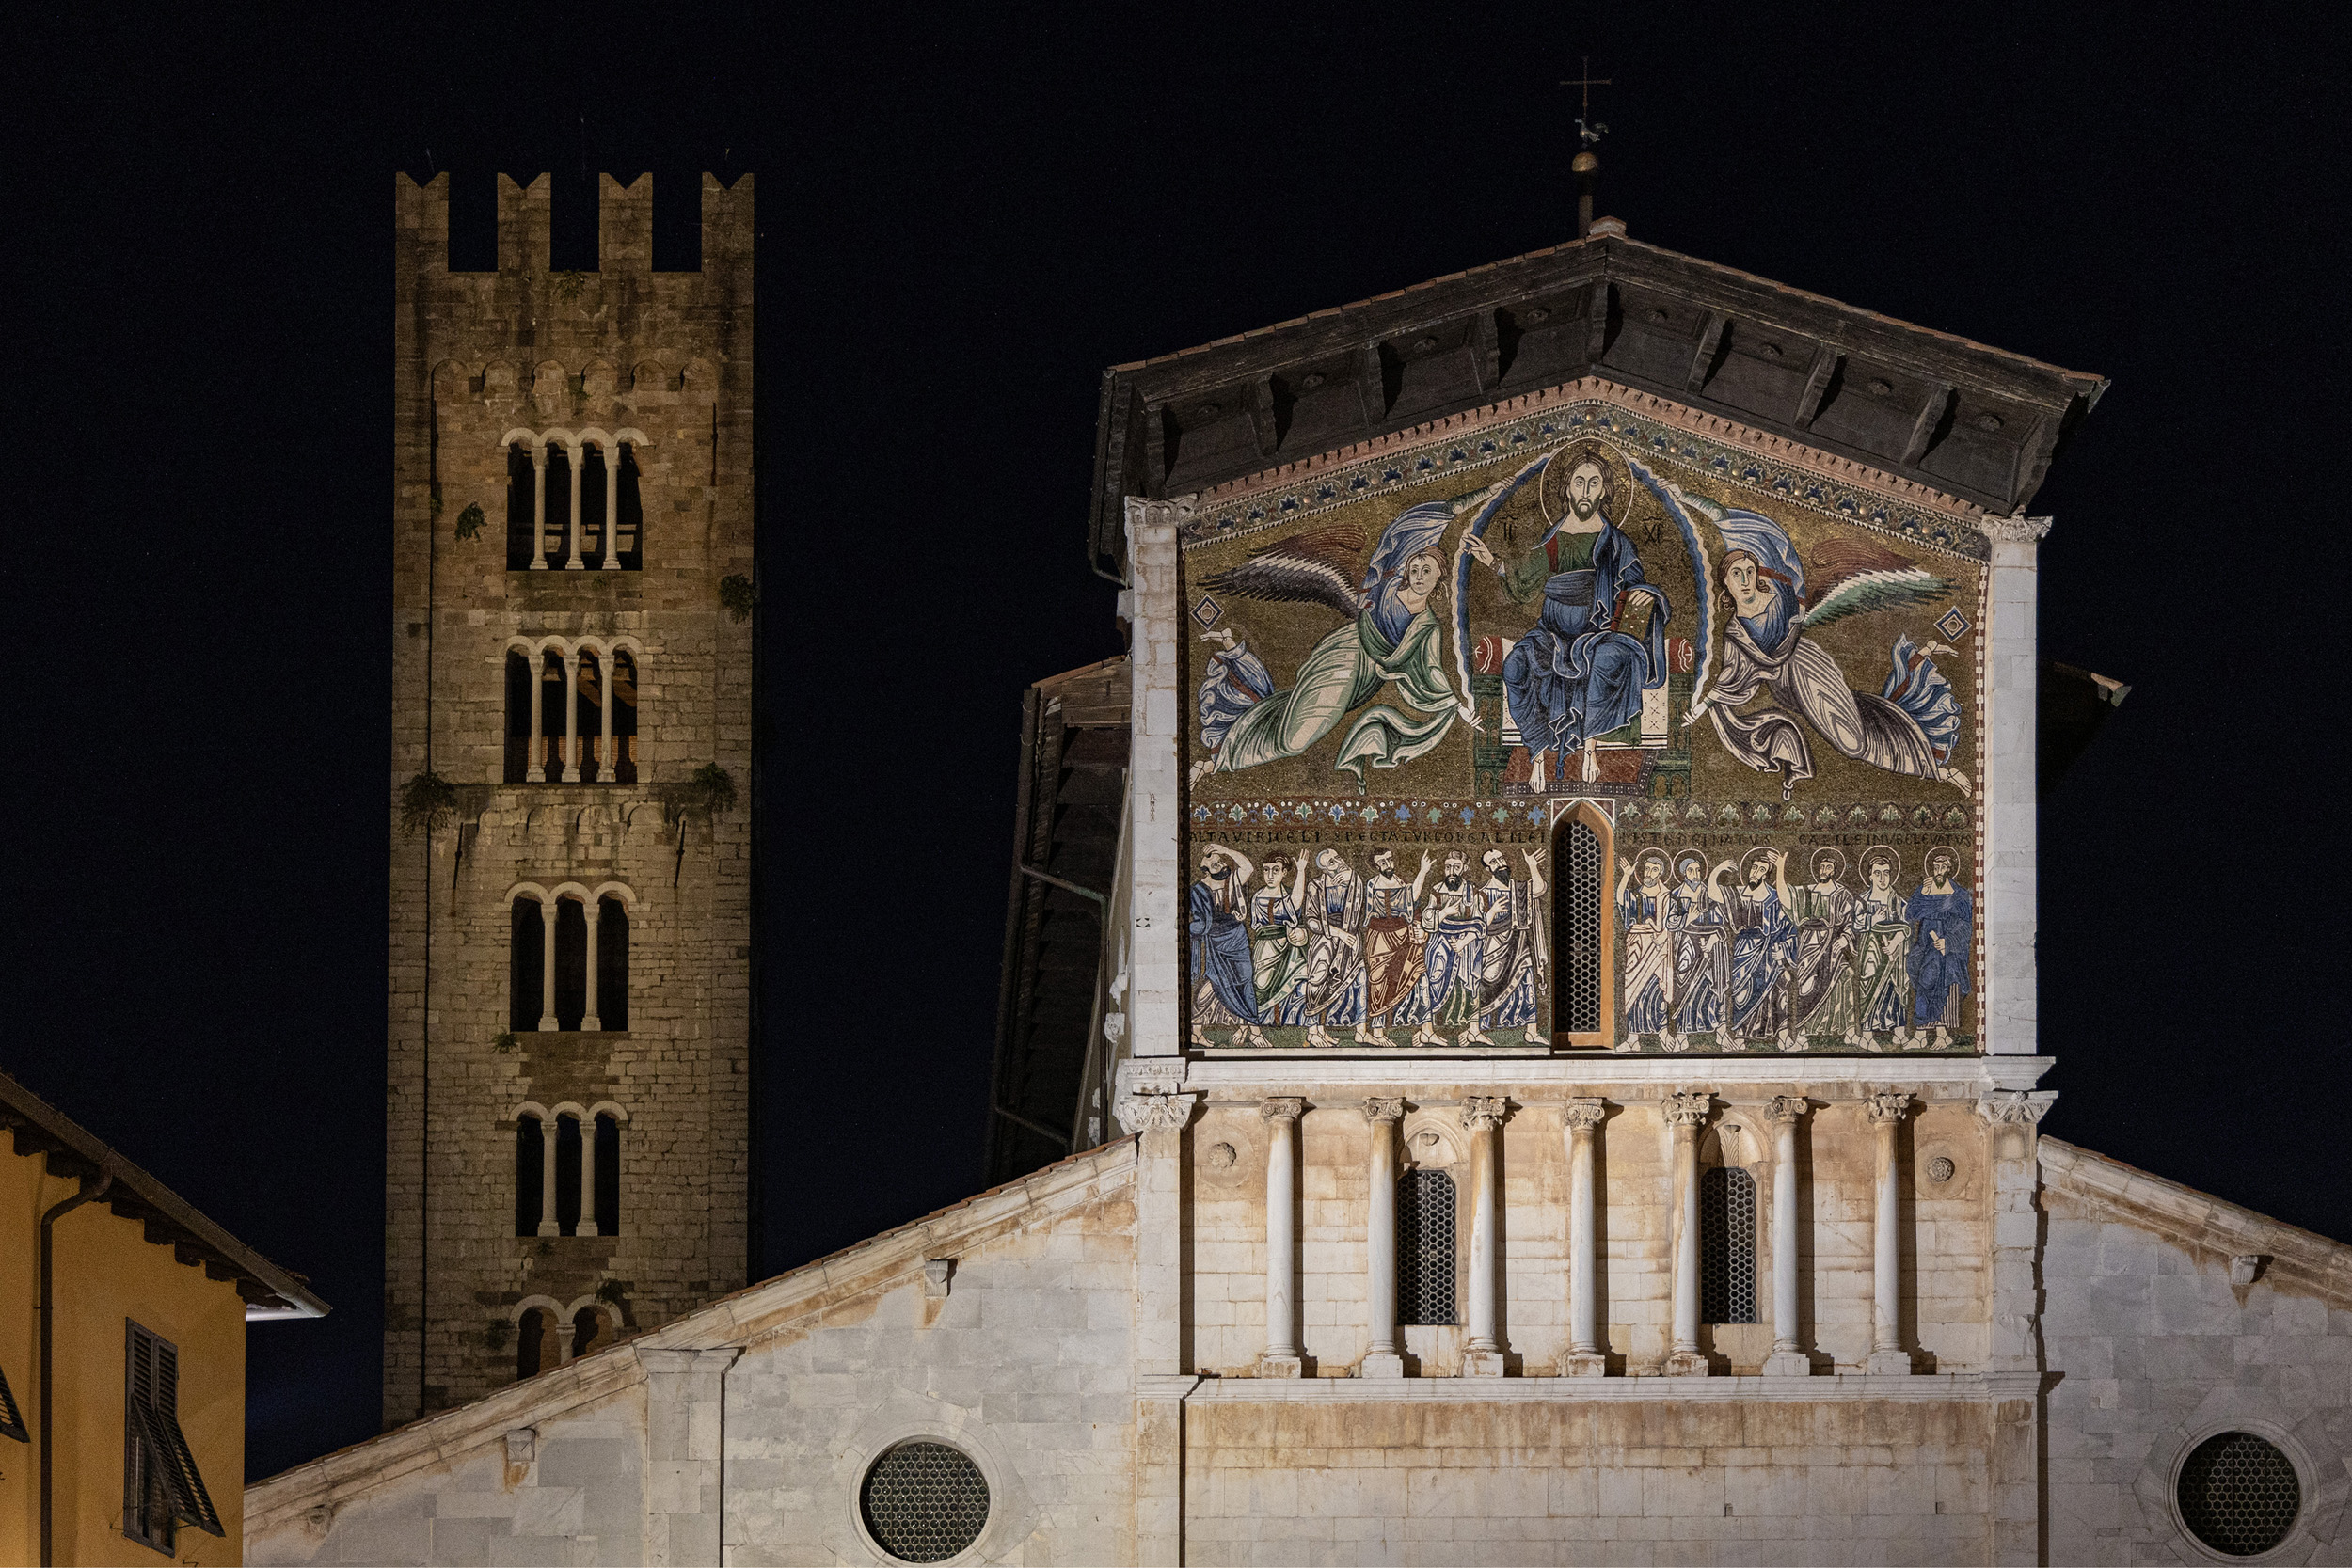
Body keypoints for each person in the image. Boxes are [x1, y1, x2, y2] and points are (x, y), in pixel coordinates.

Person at [1679, 509, 1968, 800]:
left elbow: (1790, 582)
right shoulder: (1735, 632)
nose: (1745, 580)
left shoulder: (1778, 600)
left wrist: (1698, 504)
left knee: (1853, 743)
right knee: (1856, 731)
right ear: (1725, 582)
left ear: (1757, 574)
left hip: (1808, 667)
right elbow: (1731, 677)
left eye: (1749, 572)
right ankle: (1921, 675)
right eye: (1736, 574)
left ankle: (1936, 770)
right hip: (1787, 689)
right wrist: (1702, 708)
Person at [1193, 502, 1474, 784]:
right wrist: (1470, 500)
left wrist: (1457, 706)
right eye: (1414, 569)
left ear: (1440, 576)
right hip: (1347, 654)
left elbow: (1431, 669)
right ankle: (1217, 762)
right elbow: (1408, 531)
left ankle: (1236, 677)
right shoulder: (1384, 591)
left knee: (1292, 716)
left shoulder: (1427, 626)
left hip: (1367, 679)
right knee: (1295, 740)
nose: (1419, 576)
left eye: (1427, 570)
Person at [1463, 448, 1669, 793]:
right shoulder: (1554, 538)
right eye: (1579, 483)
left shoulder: (1616, 543)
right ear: (1568, 490)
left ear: (1604, 491)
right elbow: (1524, 578)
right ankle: (1537, 754)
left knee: (1607, 659)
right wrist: (1491, 561)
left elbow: (1635, 583)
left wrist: (1646, 594)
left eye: (1594, 483)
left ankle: (1590, 750)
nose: (1586, 491)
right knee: (1516, 666)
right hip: (1552, 632)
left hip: (1599, 632)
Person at [1393, 852, 1485, 1046]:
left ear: (1464, 868)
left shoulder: (1472, 892)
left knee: (1471, 981)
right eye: (1448, 867)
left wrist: (1463, 942)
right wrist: (1444, 912)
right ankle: (1427, 1031)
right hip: (1440, 940)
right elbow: (1428, 918)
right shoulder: (1437, 889)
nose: (1451, 871)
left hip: (1466, 944)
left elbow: (1479, 923)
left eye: (1456, 867)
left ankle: (1472, 1031)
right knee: (1433, 978)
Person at [1470, 847, 1549, 1044]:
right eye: (1494, 862)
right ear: (1488, 869)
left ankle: (1531, 1031)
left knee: (1527, 981)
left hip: (1518, 944)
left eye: (1501, 858)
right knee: (1487, 986)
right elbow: (1477, 925)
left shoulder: (1517, 888)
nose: (1500, 864)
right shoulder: (1482, 893)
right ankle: (1481, 1028)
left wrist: (1532, 866)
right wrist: (1493, 912)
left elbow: (1539, 889)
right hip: (1491, 949)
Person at [1787, 847, 1863, 1047]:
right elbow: (1788, 900)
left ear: (1835, 871)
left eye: (1828, 867)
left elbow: (1851, 922)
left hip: (1834, 947)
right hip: (1809, 945)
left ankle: (1849, 1031)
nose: (1824, 870)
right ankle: (1802, 1032)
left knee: (1846, 974)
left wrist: (1845, 938)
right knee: (1804, 983)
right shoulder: (1808, 891)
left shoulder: (1842, 894)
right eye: (1822, 866)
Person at [1295, 847, 1368, 1049]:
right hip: (1325, 939)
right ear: (1325, 869)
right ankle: (1314, 1032)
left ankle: (1361, 1032)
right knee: (1317, 980)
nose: (1339, 862)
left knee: (1359, 979)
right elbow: (1311, 920)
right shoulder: (1316, 885)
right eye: (1332, 862)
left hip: (1350, 938)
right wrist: (1338, 933)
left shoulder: (1353, 881)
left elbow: (1360, 904)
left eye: (1338, 857)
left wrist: (1352, 878)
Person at [1724, 848, 1796, 1049]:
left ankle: (1782, 1035)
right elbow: (1714, 894)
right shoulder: (1739, 894)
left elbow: (1788, 921)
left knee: (1779, 982)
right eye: (1754, 867)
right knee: (1741, 991)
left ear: (1766, 875)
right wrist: (1719, 870)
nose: (1755, 872)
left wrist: (1784, 949)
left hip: (1769, 950)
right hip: (1744, 951)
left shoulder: (1774, 897)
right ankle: (1740, 1036)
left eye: (1761, 869)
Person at [1358, 847, 1431, 1045]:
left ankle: (1426, 1029)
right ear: (1376, 866)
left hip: (1404, 936)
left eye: (1389, 859)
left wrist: (1423, 871)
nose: (1388, 864)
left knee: (1417, 974)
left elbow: (1413, 903)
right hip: (1379, 937)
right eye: (1382, 862)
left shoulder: (1402, 883)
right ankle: (1378, 1032)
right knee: (1378, 981)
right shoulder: (1372, 885)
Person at [1187, 844, 1257, 1047]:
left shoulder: (1232, 881)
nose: (1221, 866)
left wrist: (1224, 849)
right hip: (1216, 943)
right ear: (1206, 869)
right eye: (1215, 864)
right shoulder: (1198, 890)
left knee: (1245, 981)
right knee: (1214, 983)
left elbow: (1248, 867)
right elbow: (1200, 920)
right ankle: (1196, 1030)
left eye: (1222, 862)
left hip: (1238, 939)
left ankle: (1249, 1029)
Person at [1905, 847, 1974, 1049]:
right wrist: (1923, 894)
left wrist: (1948, 941)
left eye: (1943, 867)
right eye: (1936, 867)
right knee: (1918, 969)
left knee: (1936, 976)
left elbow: (1965, 925)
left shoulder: (1959, 894)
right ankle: (1927, 1035)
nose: (1939, 871)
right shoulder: (1924, 890)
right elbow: (1910, 914)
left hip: (1946, 947)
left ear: (1950, 869)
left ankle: (1936, 1034)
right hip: (1925, 943)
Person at [1243, 852, 1311, 1048]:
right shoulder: (1257, 897)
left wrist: (1301, 871)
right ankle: (1252, 1028)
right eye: (1266, 870)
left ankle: (1295, 1024)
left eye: (1275, 870)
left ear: (1284, 873)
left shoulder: (1290, 894)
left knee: (1303, 979)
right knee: (1260, 985)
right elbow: (1256, 927)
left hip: (1289, 948)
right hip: (1265, 949)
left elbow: (1295, 905)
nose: (1270, 875)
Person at [1664, 851, 1728, 1048]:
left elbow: (1721, 921)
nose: (1696, 874)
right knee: (1683, 983)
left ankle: (1718, 1030)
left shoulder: (1709, 893)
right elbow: (1670, 922)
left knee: (1710, 984)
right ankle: (1682, 1032)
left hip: (1709, 945)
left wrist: (1713, 939)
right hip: (1685, 943)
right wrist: (1688, 919)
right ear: (1684, 873)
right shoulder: (1675, 895)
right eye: (1691, 871)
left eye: (1698, 870)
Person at [1853, 847, 1914, 1047]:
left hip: (1894, 955)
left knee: (1896, 989)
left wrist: (1895, 943)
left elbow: (1906, 926)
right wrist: (1872, 920)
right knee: (1869, 987)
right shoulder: (1862, 900)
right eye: (1877, 873)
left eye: (1886, 873)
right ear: (1870, 876)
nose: (1882, 878)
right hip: (1870, 954)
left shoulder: (1899, 902)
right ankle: (1868, 1035)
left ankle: (1899, 1032)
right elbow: (1855, 924)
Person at [1616, 850, 1674, 1043]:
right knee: (1633, 988)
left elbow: (1670, 923)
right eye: (1647, 869)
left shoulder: (1666, 896)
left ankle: (1662, 1032)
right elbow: (1620, 898)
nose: (1649, 873)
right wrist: (1626, 875)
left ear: (1661, 873)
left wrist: (1662, 934)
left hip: (1657, 947)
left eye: (1654, 870)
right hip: (1637, 946)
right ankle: (1633, 1038)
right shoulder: (1635, 894)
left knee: (1656, 988)